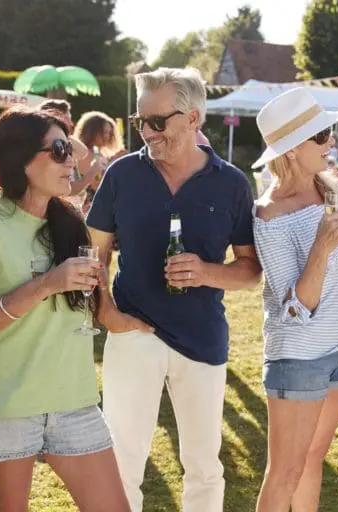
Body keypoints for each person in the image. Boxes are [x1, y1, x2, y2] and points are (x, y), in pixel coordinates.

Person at [86, 67, 262, 512]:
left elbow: (249, 270)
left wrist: (206, 272)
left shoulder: (232, 184)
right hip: (132, 331)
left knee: (204, 465)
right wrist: (105, 312)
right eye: (140, 121)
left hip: (201, 339)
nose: (147, 132)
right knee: (123, 459)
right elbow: (93, 252)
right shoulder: (123, 174)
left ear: (194, 119)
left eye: (158, 122)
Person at [0, 106, 128, 512]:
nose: (73, 159)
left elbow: (96, 310)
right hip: (2, 408)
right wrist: (46, 284)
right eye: (59, 151)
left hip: (73, 402)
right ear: (22, 160)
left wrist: (131, 317)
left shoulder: (68, 221)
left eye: (69, 149)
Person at [250, 87, 338, 512]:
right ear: (291, 148)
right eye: (321, 135)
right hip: (302, 355)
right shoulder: (270, 213)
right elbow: (293, 312)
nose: (331, 142)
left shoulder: (327, 188)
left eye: (329, 132)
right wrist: (320, 249)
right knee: (285, 471)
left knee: (313, 458)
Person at [73, 111, 126, 212]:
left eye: (110, 133)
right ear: (92, 131)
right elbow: (96, 184)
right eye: (105, 132)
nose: (108, 136)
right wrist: (114, 163)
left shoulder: (97, 152)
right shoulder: (86, 154)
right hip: (88, 208)